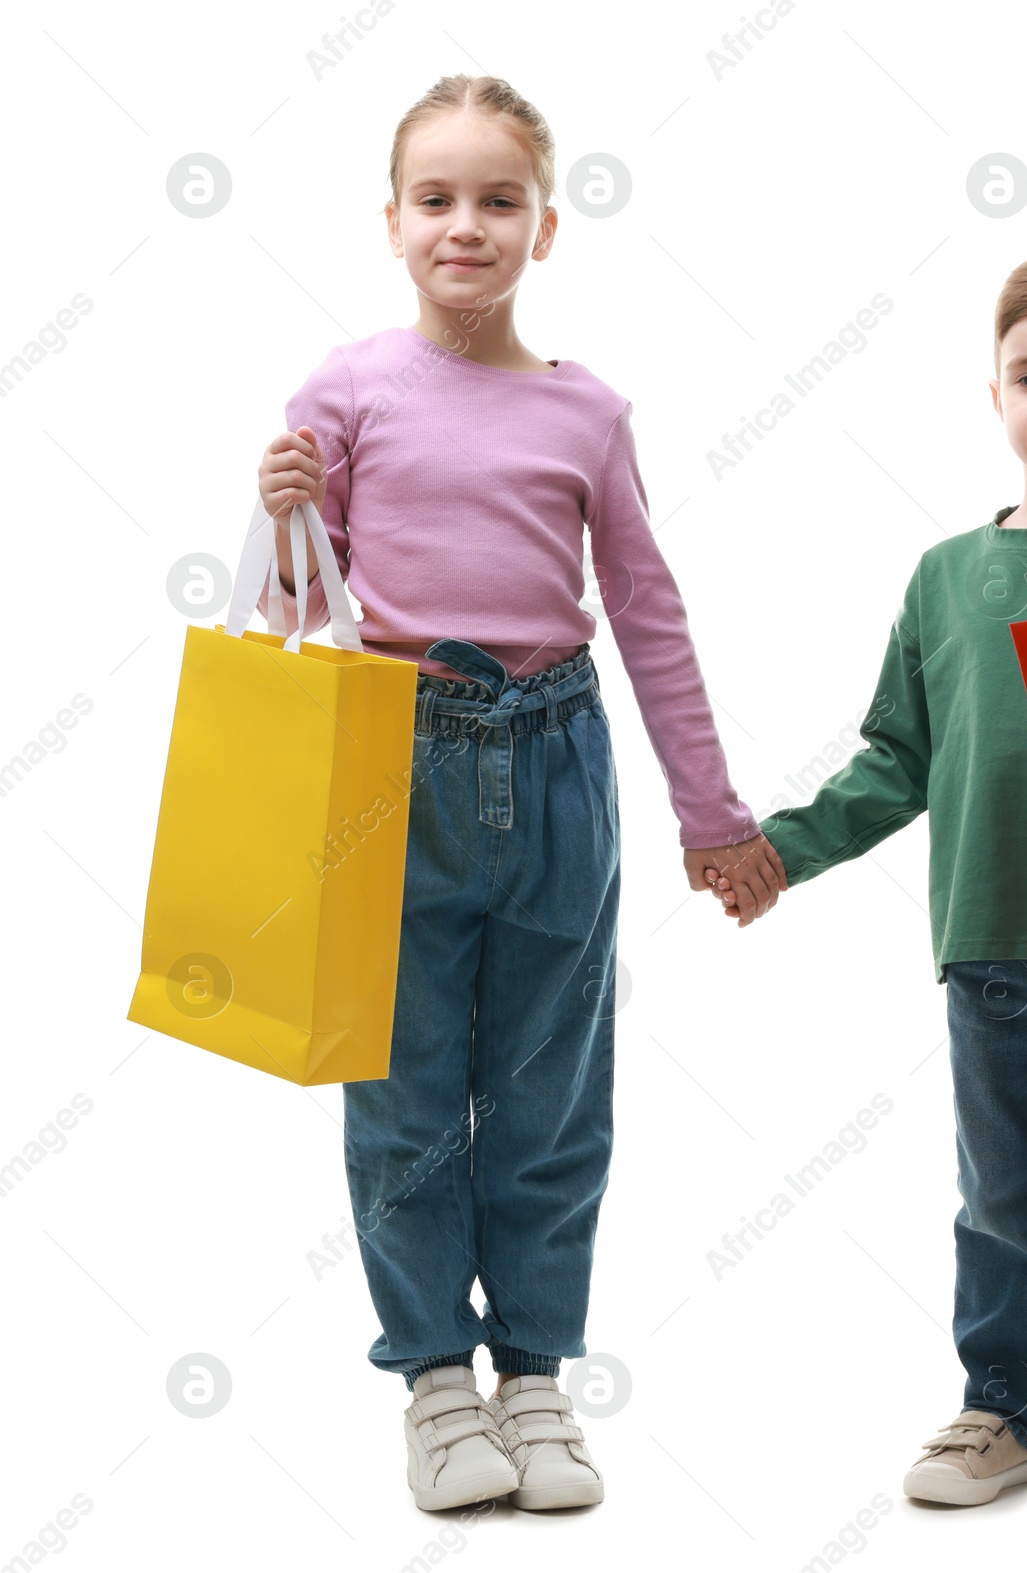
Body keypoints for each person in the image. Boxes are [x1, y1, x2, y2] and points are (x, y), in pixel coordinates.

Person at [255, 73, 786, 1513]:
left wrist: (714, 813)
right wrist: (284, 506)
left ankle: (535, 1374)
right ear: (392, 222)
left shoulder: (590, 413)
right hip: (394, 763)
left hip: (556, 761)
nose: (467, 225)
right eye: (438, 199)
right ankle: (436, 1380)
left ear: (547, 228)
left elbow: (650, 613)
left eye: (501, 201)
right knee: (405, 1079)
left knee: (550, 1085)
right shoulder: (346, 389)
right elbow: (297, 611)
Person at [714, 243, 1027, 1523]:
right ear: (994, 396)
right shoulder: (944, 572)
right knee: (999, 1198)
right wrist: (787, 846)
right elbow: (901, 755)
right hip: (987, 942)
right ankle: (1002, 1403)